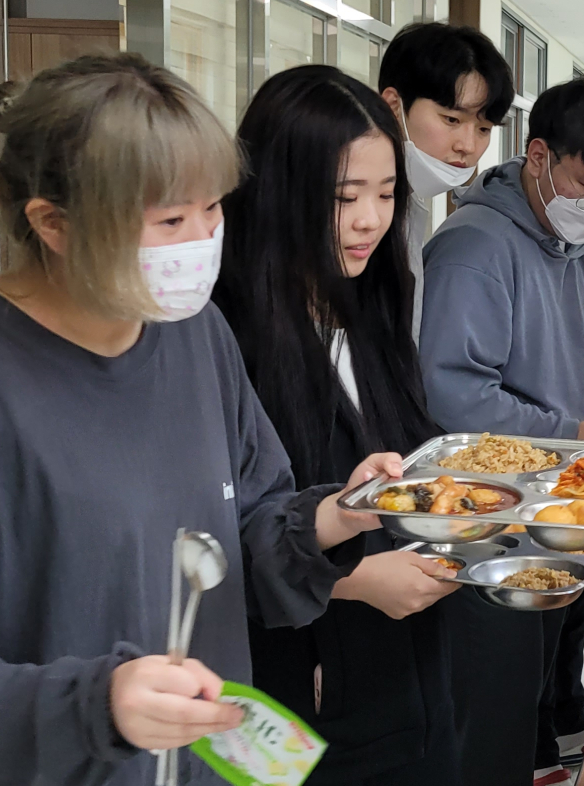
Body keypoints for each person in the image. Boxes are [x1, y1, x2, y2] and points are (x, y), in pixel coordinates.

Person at [0, 54, 397, 786]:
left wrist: (329, 521)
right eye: (169, 218)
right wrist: (92, 706)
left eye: (213, 207)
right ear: (53, 223)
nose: (202, 239)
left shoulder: (195, 336)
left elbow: (240, 528)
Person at [417, 76, 584, 786]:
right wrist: (567, 431)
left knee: (530, 694)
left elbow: (577, 357)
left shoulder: (566, 241)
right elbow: (455, 390)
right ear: (538, 154)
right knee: (491, 718)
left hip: (552, 514)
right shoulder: (475, 245)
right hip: (492, 522)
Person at [213, 65, 463, 785]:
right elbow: (207, 535)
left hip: (409, 663)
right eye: (343, 197)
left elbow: (405, 461)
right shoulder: (224, 333)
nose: (369, 220)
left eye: (386, 195)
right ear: (274, 192)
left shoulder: (376, 298)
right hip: (291, 684)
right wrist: (348, 581)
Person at [376, 22, 517, 327]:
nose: (467, 146)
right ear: (392, 105)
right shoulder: (349, 211)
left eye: (483, 129)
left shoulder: (409, 206)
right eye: (451, 119)